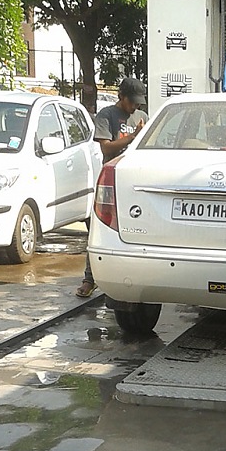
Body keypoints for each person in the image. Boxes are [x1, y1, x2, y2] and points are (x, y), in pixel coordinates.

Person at [75, 77, 148, 298]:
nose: (134, 106)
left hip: (136, 181)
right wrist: (133, 136)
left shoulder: (142, 117)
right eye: (131, 102)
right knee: (102, 228)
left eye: (138, 103)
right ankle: (90, 278)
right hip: (112, 182)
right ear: (121, 97)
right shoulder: (107, 116)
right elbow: (106, 148)